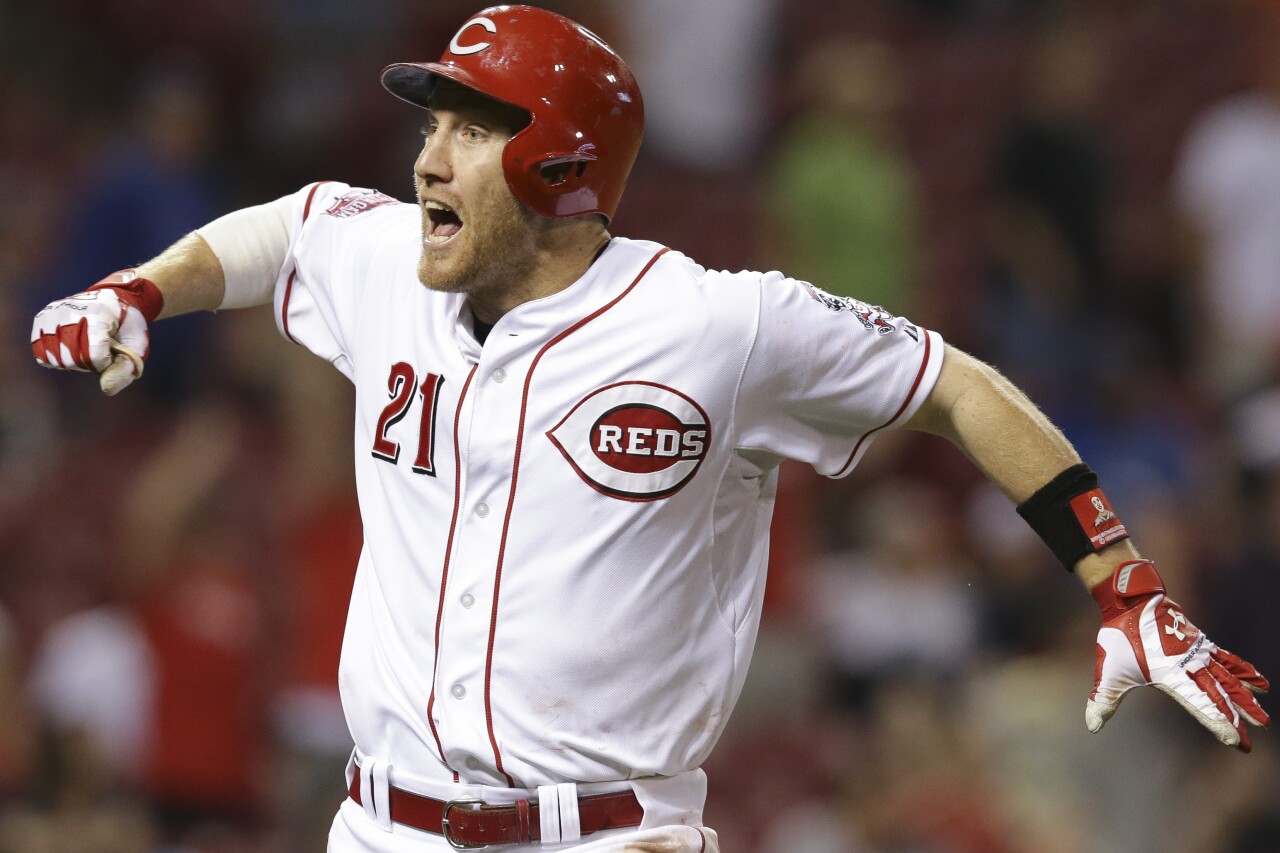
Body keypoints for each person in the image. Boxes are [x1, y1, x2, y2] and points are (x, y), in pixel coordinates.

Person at [28, 6, 1270, 852]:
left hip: (608, 831)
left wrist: (1123, 583)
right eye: (430, 125)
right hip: (381, 825)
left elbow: (954, 385)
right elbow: (284, 228)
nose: (428, 160)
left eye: (471, 127)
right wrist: (140, 285)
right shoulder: (384, 265)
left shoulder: (716, 327)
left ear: (563, 167)